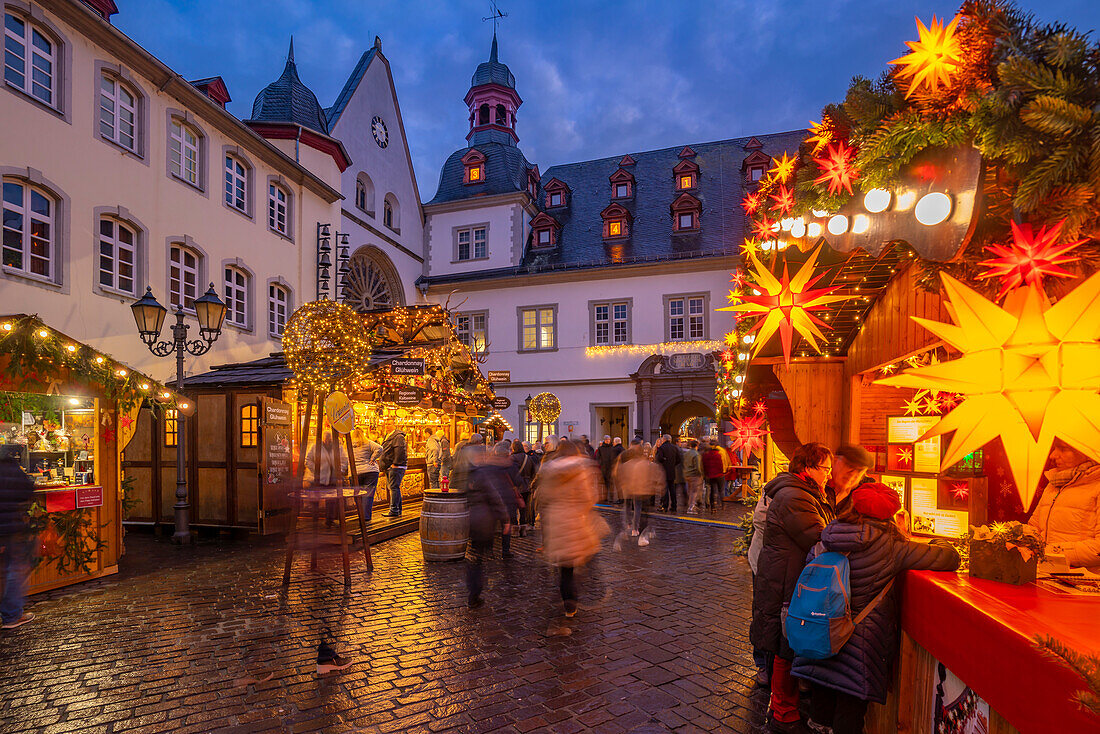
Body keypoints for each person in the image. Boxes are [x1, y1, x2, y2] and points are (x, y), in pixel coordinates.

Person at [794, 483, 960, 734]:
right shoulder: (892, 546)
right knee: (850, 709)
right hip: (860, 642)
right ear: (890, 514)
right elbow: (949, 558)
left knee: (822, 693)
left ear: (853, 505)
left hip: (821, 631)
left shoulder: (829, 535)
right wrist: (940, 540)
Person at [749, 442, 836, 733]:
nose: (829, 474)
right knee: (784, 645)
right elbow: (817, 536)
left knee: (786, 643)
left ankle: (785, 707)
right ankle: (783, 714)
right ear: (807, 468)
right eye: (825, 468)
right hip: (785, 582)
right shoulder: (794, 497)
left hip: (788, 578)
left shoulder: (803, 493)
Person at [534, 440, 607, 616]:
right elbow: (590, 497)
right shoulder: (582, 470)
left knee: (565, 569)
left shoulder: (549, 470)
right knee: (580, 559)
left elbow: (542, 496)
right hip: (577, 520)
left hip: (557, 521)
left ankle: (569, 604)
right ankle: (577, 597)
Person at [1029, 439, 1100, 572]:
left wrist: (1051, 551)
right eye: (1055, 448)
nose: (1053, 455)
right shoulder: (1054, 483)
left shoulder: (1097, 486)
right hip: (1049, 574)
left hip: (1087, 582)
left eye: (1064, 448)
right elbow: (1035, 527)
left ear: (1087, 451)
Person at [464, 439, 506, 608]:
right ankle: (475, 592)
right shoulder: (482, 474)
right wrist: (505, 518)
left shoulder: (470, 473)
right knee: (479, 558)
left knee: (476, 556)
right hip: (484, 520)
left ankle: (474, 589)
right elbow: (494, 496)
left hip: (473, 518)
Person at [1, 445, 35, 629]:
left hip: (6, 526)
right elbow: (26, 490)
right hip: (8, 527)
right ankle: (11, 615)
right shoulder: (9, 466)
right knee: (14, 569)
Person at [614, 439, 662, 546]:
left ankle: (629, 525)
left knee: (628, 506)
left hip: (628, 485)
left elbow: (618, 470)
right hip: (638, 486)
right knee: (637, 507)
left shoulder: (624, 455)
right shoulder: (639, 460)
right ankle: (635, 529)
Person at [827, 445, 875, 516]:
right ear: (835, 461)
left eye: (859, 470)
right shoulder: (815, 485)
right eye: (850, 466)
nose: (853, 474)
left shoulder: (864, 498)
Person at [351, 429, 383, 521]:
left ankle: (360, 515)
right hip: (370, 471)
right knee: (368, 494)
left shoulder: (347, 445)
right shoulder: (368, 442)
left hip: (355, 472)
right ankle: (366, 516)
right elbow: (380, 448)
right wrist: (373, 458)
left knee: (357, 494)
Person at [379, 426, 407, 518]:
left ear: (393, 425)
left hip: (396, 466)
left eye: (388, 424)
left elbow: (400, 450)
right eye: (386, 424)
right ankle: (397, 510)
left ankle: (394, 510)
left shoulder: (398, 436)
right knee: (394, 488)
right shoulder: (388, 435)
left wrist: (395, 463)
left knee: (394, 488)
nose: (386, 426)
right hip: (391, 466)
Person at [511, 440, 535, 534]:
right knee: (523, 508)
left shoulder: (512, 458)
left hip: (515, 486)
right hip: (526, 486)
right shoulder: (528, 458)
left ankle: (515, 530)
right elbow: (534, 472)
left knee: (513, 508)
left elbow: (510, 472)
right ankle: (523, 529)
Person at [655, 434, 682, 513]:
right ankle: (674, 506)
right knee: (672, 489)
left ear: (664, 439)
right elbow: (679, 459)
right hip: (672, 471)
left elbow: (658, 458)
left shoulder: (662, 448)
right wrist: (673, 464)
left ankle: (665, 506)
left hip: (664, 471)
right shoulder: (674, 447)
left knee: (665, 490)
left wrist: (664, 461)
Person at [702, 440, 730, 511]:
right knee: (721, 490)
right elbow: (722, 464)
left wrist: (706, 474)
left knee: (712, 490)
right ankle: (723, 504)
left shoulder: (706, 454)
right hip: (720, 474)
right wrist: (724, 471)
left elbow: (704, 465)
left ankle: (713, 506)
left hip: (710, 475)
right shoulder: (720, 453)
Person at [683, 439, 704, 513]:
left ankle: (691, 505)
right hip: (694, 475)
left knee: (690, 490)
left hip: (687, 474)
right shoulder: (696, 454)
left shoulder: (686, 453)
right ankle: (691, 506)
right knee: (694, 491)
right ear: (697, 446)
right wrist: (700, 474)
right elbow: (697, 467)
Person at [595, 435, 618, 501]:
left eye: (608, 439)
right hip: (604, 468)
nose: (608, 440)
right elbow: (598, 458)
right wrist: (601, 464)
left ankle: (611, 497)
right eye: (606, 439)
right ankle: (604, 497)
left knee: (611, 484)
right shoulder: (601, 448)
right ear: (604, 440)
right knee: (604, 484)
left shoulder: (612, 448)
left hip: (611, 468)